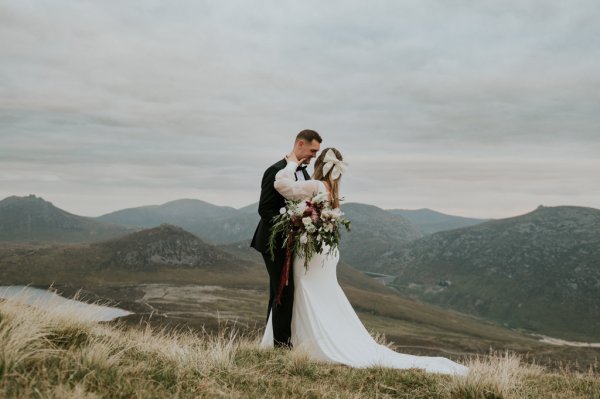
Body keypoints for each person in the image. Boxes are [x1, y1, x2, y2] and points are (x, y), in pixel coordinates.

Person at [260, 147, 469, 376]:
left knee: (302, 290)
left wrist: (290, 163)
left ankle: (301, 341)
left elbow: (281, 184)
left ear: (319, 165)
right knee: (320, 293)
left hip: (311, 251)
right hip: (326, 253)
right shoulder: (333, 191)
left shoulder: (318, 186)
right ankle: (307, 339)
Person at [250, 129, 322, 348]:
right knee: (283, 290)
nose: (314, 156)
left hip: (293, 242)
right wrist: (290, 226)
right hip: (273, 242)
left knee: (279, 292)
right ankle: (282, 345)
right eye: (312, 150)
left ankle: (270, 342)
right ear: (300, 144)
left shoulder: (305, 174)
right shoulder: (274, 170)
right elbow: (265, 209)